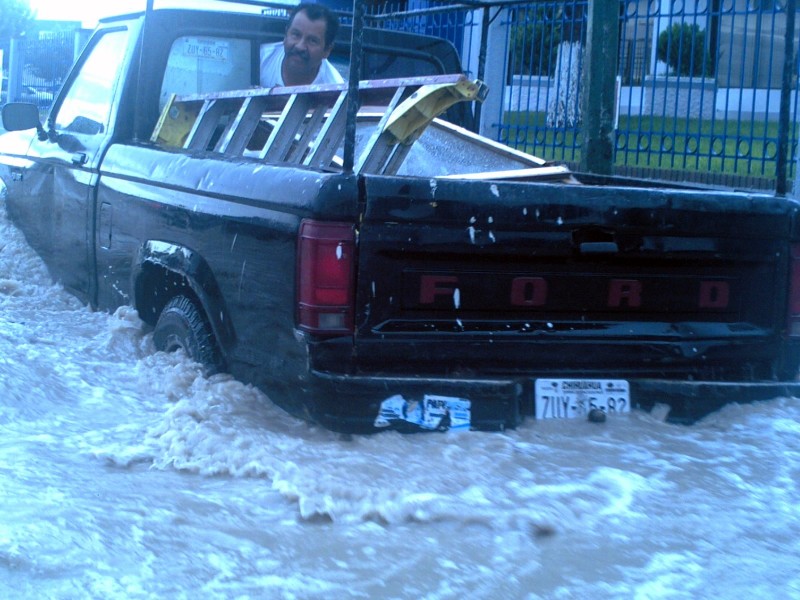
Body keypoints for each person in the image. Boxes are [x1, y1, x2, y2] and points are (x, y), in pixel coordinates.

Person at [260, 3, 344, 87]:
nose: (300, 46)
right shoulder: (260, 58)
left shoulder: (334, 88)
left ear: (327, 51)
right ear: (286, 35)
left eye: (312, 41)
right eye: (296, 35)